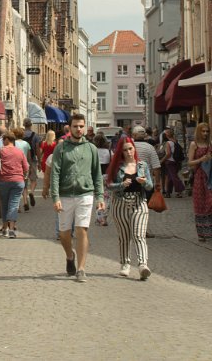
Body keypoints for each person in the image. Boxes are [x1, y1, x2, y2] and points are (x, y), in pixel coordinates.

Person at [50, 113, 104, 282]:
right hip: (65, 195)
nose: (79, 129)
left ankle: (81, 268)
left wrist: (100, 197)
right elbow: (55, 173)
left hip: (84, 194)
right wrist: (55, 197)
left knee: (82, 230)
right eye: (75, 126)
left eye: (81, 126)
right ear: (70, 128)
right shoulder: (61, 148)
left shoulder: (91, 148)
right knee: (64, 234)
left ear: (85, 127)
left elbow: (97, 174)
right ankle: (69, 255)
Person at [107, 137, 154, 280]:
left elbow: (150, 186)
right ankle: (125, 264)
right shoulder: (116, 167)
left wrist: (144, 182)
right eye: (125, 150)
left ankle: (142, 265)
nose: (128, 152)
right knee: (124, 236)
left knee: (139, 235)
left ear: (134, 148)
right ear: (120, 152)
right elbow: (109, 185)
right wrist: (121, 184)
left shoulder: (142, 165)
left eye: (130, 148)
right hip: (120, 204)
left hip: (139, 203)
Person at [0, 132, 29, 238]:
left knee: (5, 205)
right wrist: (23, 175)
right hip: (18, 181)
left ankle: (5, 229)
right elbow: (26, 167)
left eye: (3, 139)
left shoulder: (0, 151)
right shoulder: (20, 152)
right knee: (14, 205)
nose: (2, 141)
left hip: (4, 181)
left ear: (7, 139)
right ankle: (11, 230)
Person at [187, 122, 212, 241]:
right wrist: (201, 159)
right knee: (201, 204)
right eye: (203, 131)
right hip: (199, 177)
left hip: (211, 176)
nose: (205, 133)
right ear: (199, 132)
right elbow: (190, 162)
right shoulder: (194, 144)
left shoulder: (211, 144)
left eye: (207, 131)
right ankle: (201, 233)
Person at [160, 127, 185, 197]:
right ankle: (168, 192)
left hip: (170, 162)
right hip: (176, 161)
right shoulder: (175, 141)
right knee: (170, 177)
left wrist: (162, 160)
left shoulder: (168, 143)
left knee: (174, 177)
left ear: (167, 135)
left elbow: (168, 154)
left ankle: (180, 190)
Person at [14, 130, 35, 211]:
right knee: (24, 186)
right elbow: (29, 157)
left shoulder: (14, 144)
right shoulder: (26, 144)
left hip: (16, 166)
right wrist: (30, 167)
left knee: (17, 186)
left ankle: (18, 206)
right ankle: (25, 202)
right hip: (25, 166)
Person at [22, 118, 41, 207]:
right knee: (33, 180)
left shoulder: (20, 135)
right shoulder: (35, 135)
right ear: (31, 125)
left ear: (24, 125)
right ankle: (32, 192)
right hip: (32, 160)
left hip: (22, 161)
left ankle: (25, 201)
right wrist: (39, 161)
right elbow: (37, 149)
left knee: (24, 182)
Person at [96, 135, 112, 226]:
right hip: (106, 175)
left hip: (96, 177)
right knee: (107, 197)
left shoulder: (93, 151)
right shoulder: (109, 151)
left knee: (98, 197)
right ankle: (104, 218)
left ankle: (99, 218)